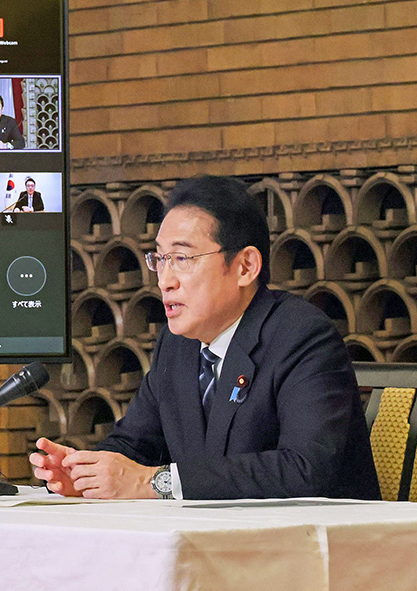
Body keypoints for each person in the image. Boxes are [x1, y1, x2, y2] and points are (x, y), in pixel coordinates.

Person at [30, 176, 380, 500]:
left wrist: (153, 482)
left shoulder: (302, 337)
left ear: (245, 267)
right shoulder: (177, 344)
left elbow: (305, 469)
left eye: (182, 258)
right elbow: (135, 445)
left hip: (313, 554)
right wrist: (84, 471)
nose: (165, 280)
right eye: (160, 258)